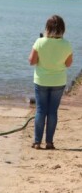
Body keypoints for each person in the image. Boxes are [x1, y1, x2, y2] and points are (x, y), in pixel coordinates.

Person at [28, 15, 73, 150]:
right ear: (62, 29)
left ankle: (37, 142)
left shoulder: (40, 42)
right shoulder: (67, 44)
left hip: (41, 81)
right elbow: (68, 63)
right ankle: (49, 142)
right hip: (58, 81)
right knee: (52, 111)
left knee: (41, 111)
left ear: (47, 28)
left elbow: (32, 61)